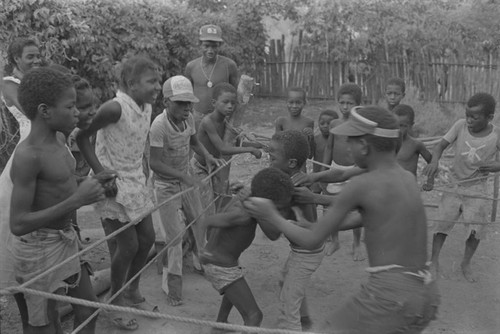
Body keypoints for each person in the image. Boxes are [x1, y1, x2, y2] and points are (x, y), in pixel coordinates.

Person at [245, 106, 440, 334]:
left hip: (390, 295)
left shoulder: (361, 186)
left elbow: (311, 241)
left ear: (364, 147)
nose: (346, 147)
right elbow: (369, 217)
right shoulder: (405, 177)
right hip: (425, 292)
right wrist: (316, 218)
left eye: (350, 142)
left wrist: (270, 215)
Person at [8, 67, 105, 334]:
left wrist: (87, 183)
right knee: (42, 325)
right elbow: (18, 224)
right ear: (44, 111)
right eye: (71, 106)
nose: (77, 112)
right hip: (38, 248)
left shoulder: (60, 140)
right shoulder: (29, 155)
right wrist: (77, 199)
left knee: (88, 309)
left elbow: (59, 183)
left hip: (66, 239)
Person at [77, 56, 161, 330]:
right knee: (128, 245)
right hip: (111, 183)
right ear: (131, 83)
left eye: (158, 81)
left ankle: (132, 291)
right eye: (152, 81)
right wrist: (100, 172)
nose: (157, 86)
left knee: (147, 237)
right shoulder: (114, 108)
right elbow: (81, 136)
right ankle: (115, 302)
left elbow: (136, 139)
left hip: (134, 179)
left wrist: (144, 168)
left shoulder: (146, 105)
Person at [149, 75, 222, 306]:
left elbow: (193, 143)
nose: (186, 107)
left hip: (185, 178)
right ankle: (173, 288)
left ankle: (203, 264)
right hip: (166, 185)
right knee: (175, 237)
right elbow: (155, 163)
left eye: (189, 102)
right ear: (166, 103)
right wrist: (183, 176)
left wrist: (208, 156)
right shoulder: (159, 126)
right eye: (180, 103)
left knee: (199, 221)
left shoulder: (189, 119)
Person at [423, 92, 500, 283]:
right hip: (454, 183)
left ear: (489, 117)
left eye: (474, 117)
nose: (469, 120)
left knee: (476, 229)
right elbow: (439, 146)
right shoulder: (460, 126)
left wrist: (497, 166)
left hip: (476, 189)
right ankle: (434, 261)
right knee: (442, 223)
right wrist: (434, 162)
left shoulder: (496, 135)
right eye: (467, 115)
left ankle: (466, 263)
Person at [200, 167, 287, 331]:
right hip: (220, 265)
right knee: (254, 316)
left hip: (222, 262)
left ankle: (220, 325)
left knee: (236, 287)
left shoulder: (245, 201)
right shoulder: (245, 213)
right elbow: (274, 234)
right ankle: (219, 326)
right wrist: (201, 249)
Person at [267, 130, 324, 331]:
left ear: (291, 163)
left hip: (306, 253)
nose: (268, 158)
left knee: (288, 304)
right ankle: (305, 318)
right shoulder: (294, 179)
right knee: (287, 281)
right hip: (306, 249)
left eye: (272, 156)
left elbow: (272, 231)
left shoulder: (293, 188)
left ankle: (294, 326)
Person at [191, 82, 262, 213]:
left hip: (214, 166)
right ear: (214, 103)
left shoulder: (225, 122)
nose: (230, 106)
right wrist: (250, 150)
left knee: (220, 198)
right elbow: (223, 148)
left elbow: (232, 144)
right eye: (225, 102)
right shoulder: (208, 122)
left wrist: (257, 145)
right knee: (206, 206)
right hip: (200, 168)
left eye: (233, 103)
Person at [322, 83, 364, 260]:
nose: (345, 107)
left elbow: (363, 149)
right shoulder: (334, 123)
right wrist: (323, 171)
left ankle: (356, 243)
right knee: (330, 205)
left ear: (358, 105)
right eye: (342, 102)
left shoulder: (360, 126)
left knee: (355, 208)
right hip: (335, 168)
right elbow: (329, 148)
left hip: (354, 170)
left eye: (350, 103)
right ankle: (335, 240)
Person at [185, 24, 239, 129]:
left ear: (220, 45)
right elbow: (187, 95)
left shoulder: (229, 65)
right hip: (197, 117)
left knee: (219, 144)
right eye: (206, 46)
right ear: (200, 44)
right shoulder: (191, 67)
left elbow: (235, 94)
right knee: (198, 144)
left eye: (214, 46)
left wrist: (230, 117)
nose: (210, 50)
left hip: (221, 118)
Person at [2, 38, 41, 141]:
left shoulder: (39, 80)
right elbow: (32, 112)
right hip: (32, 140)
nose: (37, 61)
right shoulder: (8, 84)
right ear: (16, 59)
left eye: (38, 56)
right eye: (30, 57)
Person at [274, 87, 314, 158]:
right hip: (284, 162)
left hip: (300, 165)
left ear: (304, 103)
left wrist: (311, 137)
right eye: (291, 102)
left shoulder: (308, 122)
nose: (294, 106)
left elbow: (310, 155)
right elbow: (276, 145)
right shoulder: (281, 121)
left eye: (298, 102)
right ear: (286, 102)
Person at [393, 104, 432, 175]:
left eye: (402, 126)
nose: (398, 129)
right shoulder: (387, 144)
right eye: (395, 125)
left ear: (411, 125)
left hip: (409, 184)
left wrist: (429, 176)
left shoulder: (415, 144)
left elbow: (431, 162)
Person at [310, 109, 338, 194]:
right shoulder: (316, 139)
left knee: (327, 200)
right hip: (316, 176)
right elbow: (309, 156)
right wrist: (309, 140)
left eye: (329, 124)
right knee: (313, 199)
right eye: (322, 123)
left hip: (330, 179)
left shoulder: (337, 141)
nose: (325, 126)